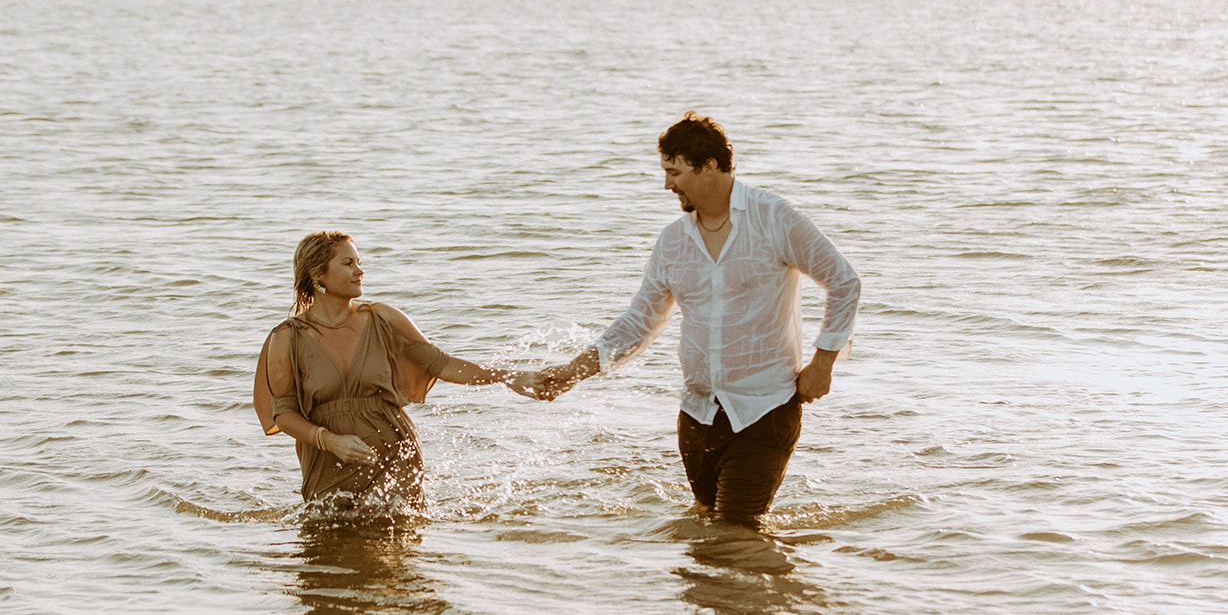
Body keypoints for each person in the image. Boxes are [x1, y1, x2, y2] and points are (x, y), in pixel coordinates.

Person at [536, 112, 861, 527]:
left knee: (734, 531)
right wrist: (573, 371)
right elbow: (641, 320)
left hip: (765, 409)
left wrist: (823, 363)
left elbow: (844, 281)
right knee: (706, 532)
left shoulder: (773, 217)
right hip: (696, 416)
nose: (667, 184)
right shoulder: (673, 240)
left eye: (674, 172)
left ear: (707, 166)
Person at [255, 230, 539, 505]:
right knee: (328, 543)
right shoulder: (288, 337)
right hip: (326, 463)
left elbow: (443, 364)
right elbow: (285, 414)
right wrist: (330, 441)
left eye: (359, 262)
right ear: (318, 275)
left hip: (394, 452)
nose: (360, 271)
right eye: (348, 263)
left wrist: (507, 377)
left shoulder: (383, 319)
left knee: (398, 540)